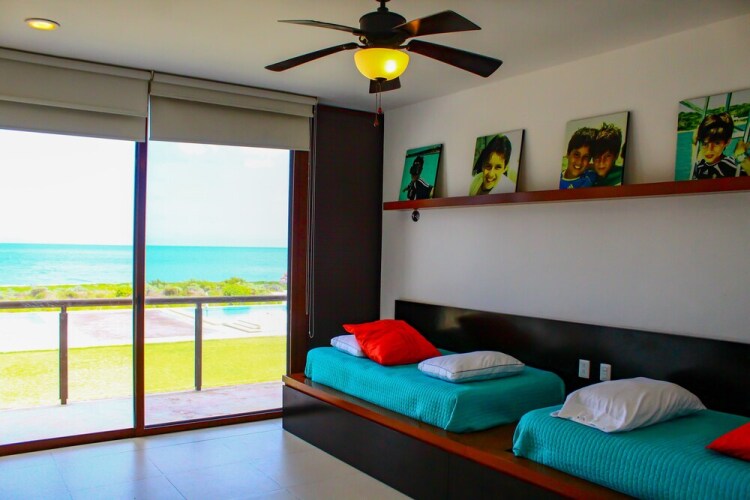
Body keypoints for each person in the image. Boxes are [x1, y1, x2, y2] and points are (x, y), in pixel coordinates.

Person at [692, 113, 740, 179]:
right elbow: (695, 160)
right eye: (705, 144)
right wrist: (694, 143)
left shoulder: (730, 165)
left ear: (727, 142)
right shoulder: (701, 165)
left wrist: (742, 156)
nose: (709, 149)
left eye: (716, 143)